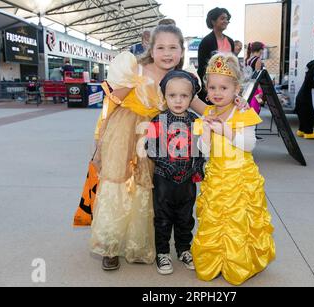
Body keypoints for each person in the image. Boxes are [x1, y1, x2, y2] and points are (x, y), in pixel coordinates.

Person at [89, 25, 248, 271]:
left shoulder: (181, 79)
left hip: (158, 139)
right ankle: (110, 246)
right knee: (119, 186)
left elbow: (203, 107)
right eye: (160, 47)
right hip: (126, 132)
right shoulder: (136, 70)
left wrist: (234, 106)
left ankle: (137, 243)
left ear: (182, 51)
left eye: (173, 47)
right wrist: (101, 136)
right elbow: (111, 100)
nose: (166, 53)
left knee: (146, 191)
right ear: (150, 49)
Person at [191, 53, 276, 286]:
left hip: (239, 178)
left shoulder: (243, 112)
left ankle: (238, 263)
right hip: (217, 178)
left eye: (224, 87)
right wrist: (207, 133)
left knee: (238, 223)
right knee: (215, 222)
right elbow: (204, 151)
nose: (217, 93)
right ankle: (215, 261)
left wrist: (223, 130)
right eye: (212, 87)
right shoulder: (208, 113)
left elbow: (249, 145)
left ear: (236, 88)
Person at [145, 70, 205, 275]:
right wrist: (168, 167)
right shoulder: (157, 120)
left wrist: (197, 168)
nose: (178, 100)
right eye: (172, 96)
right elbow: (151, 149)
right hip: (163, 179)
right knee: (162, 218)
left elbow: (199, 150)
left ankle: (183, 248)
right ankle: (162, 252)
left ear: (192, 97)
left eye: (184, 96)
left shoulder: (197, 122)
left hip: (188, 181)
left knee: (185, 217)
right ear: (164, 96)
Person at [197, 7, 235, 102]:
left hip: (227, 85)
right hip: (211, 86)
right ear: (213, 21)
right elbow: (202, 67)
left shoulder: (230, 41)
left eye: (227, 19)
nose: (226, 21)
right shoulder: (206, 41)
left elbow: (233, 65)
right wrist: (206, 88)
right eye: (222, 18)